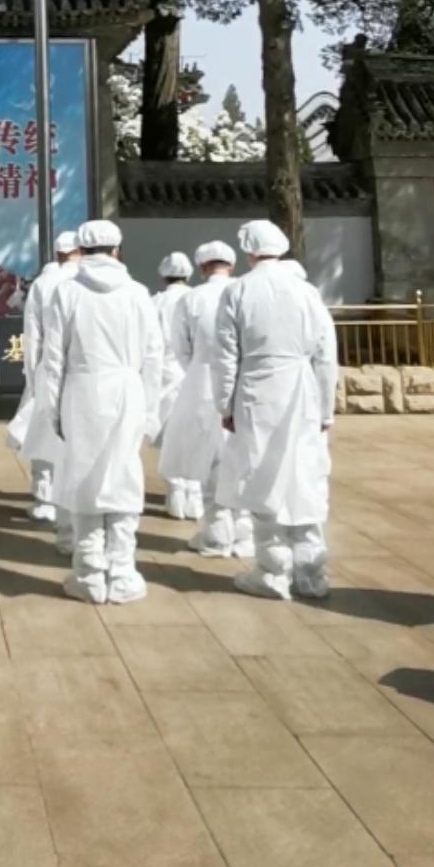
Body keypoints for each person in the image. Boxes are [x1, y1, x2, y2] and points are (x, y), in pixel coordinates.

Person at [214, 219, 338, 602]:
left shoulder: (238, 292)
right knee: (305, 475)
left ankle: (272, 571)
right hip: (302, 392)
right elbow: (325, 354)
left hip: (257, 388)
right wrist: (326, 408)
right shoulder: (307, 292)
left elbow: (226, 355)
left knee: (261, 474)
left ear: (249, 251)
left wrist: (225, 403)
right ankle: (312, 573)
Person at [46, 219, 163, 605]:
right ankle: (123, 571)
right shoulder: (138, 293)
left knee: (83, 477)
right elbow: (153, 355)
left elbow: (53, 359)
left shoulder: (66, 292)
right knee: (124, 474)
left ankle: (89, 572)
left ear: (81, 249)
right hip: (127, 389)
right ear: (117, 250)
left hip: (81, 390)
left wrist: (53, 411)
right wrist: (149, 408)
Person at [159, 241, 251, 558]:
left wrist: (198, 370)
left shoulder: (192, 298)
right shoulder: (246, 291)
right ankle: (244, 531)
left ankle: (217, 531)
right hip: (245, 381)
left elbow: (180, 346)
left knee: (212, 458)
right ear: (233, 264)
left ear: (201, 267)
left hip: (203, 381)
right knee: (244, 456)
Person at [7, 229, 82, 541]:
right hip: (84, 369)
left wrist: (32, 373)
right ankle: (75, 499)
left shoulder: (43, 283)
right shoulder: (89, 282)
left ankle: (44, 499)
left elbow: (33, 332)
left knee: (44, 431)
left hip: (47, 367)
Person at [152, 251, 201, 520]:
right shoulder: (198, 298)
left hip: (164, 372)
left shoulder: (155, 302)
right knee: (195, 436)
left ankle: (176, 494)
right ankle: (195, 495)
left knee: (170, 436)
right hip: (194, 372)